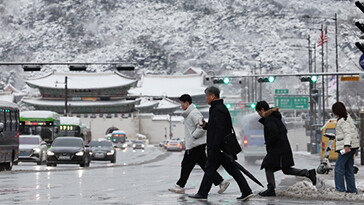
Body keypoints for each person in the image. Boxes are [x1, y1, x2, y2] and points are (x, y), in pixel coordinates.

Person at [189, 87, 253, 201]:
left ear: (212, 96)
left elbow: (220, 129)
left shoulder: (218, 109)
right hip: (220, 147)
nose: (206, 98)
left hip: (218, 147)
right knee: (230, 169)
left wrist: (215, 146)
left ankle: (203, 193)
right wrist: (206, 126)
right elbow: (216, 127)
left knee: (210, 169)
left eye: (207, 96)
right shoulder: (217, 108)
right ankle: (246, 191)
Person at [168, 94, 230, 194]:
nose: (181, 106)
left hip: (195, 144)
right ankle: (221, 182)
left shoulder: (194, 113)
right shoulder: (190, 113)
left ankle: (180, 186)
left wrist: (193, 136)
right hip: (194, 144)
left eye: (182, 103)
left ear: (187, 103)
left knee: (187, 165)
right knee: (203, 165)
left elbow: (201, 127)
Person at [255, 101, 316, 197]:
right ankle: (308, 173)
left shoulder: (269, 119)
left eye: (258, 112)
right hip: (281, 148)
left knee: (268, 166)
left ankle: (271, 189)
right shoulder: (274, 117)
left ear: (262, 110)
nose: (259, 114)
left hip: (277, 149)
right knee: (286, 169)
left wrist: (269, 143)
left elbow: (274, 134)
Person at [332, 102, 360, 193]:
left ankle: (340, 190)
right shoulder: (348, 118)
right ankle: (352, 190)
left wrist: (346, 146)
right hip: (352, 146)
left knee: (338, 168)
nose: (334, 113)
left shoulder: (343, 120)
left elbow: (347, 134)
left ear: (337, 111)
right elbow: (352, 131)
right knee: (348, 169)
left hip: (347, 147)